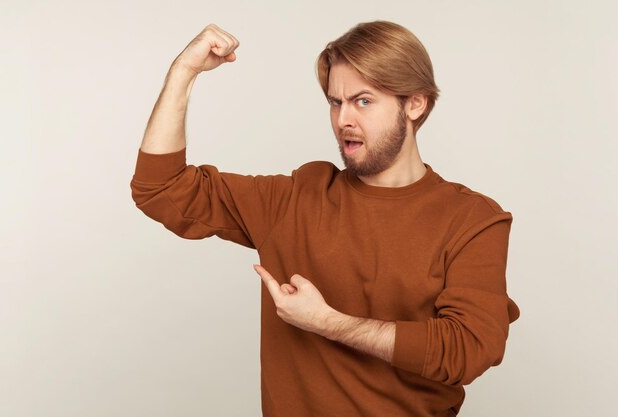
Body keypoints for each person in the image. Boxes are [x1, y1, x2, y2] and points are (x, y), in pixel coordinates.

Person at [130, 20, 520, 417]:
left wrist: (328, 323)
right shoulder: (298, 197)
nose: (343, 120)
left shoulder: (473, 220)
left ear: (415, 104)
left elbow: (468, 350)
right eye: (336, 102)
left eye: (363, 101)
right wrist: (184, 72)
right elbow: (160, 188)